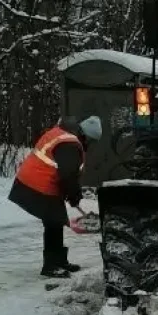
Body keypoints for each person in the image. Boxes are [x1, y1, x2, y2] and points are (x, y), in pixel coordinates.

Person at [9, 116, 102, 278]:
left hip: (34, 180)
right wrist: (74, 195)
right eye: (91, 140)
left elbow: (64, 172)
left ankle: (59, 261)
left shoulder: (62, 134)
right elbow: (68, 174)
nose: (89, 144)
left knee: (55, 222)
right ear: (85, 135)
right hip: (39, 183)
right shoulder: (70, 144)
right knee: (53, 223)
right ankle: (51, 266)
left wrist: (69, 192)